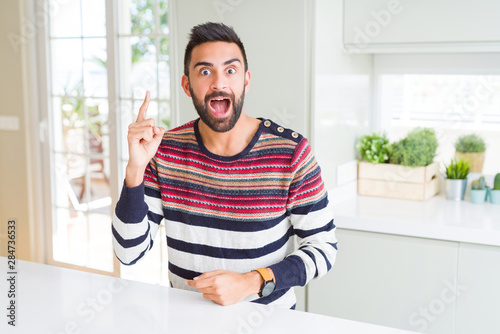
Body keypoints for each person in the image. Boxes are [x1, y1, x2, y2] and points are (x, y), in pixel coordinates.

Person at [112, 22, 337, 309]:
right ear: (187, 85)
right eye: (205, 72)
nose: (219, 82)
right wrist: (135, 170)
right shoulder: (164, 150)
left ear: (246, 80)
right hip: (186, 322)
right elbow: (128, 253)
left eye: (230, 70)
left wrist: (252, 282)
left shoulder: (291, 153)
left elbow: (323, 248)